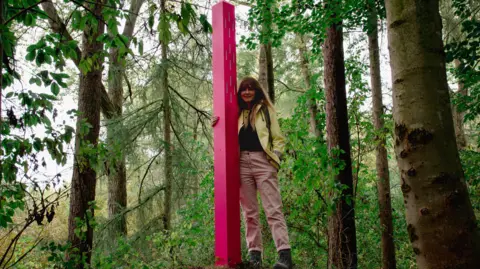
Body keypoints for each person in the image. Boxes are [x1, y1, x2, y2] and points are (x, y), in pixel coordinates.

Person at [212, 77, 292, 269]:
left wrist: (276, 159)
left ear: (256, 91)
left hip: (263, 162)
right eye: (243, 89)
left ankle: (285, 257)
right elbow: (225, 132)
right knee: (249, 212)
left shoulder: (265, 109)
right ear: (239, 93)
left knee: (273, 209)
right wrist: (216, 123)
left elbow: (278, 138)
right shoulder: (236, 113)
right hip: (242, 164)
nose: (247, 92)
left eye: (251, 89)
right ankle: (255, 257)